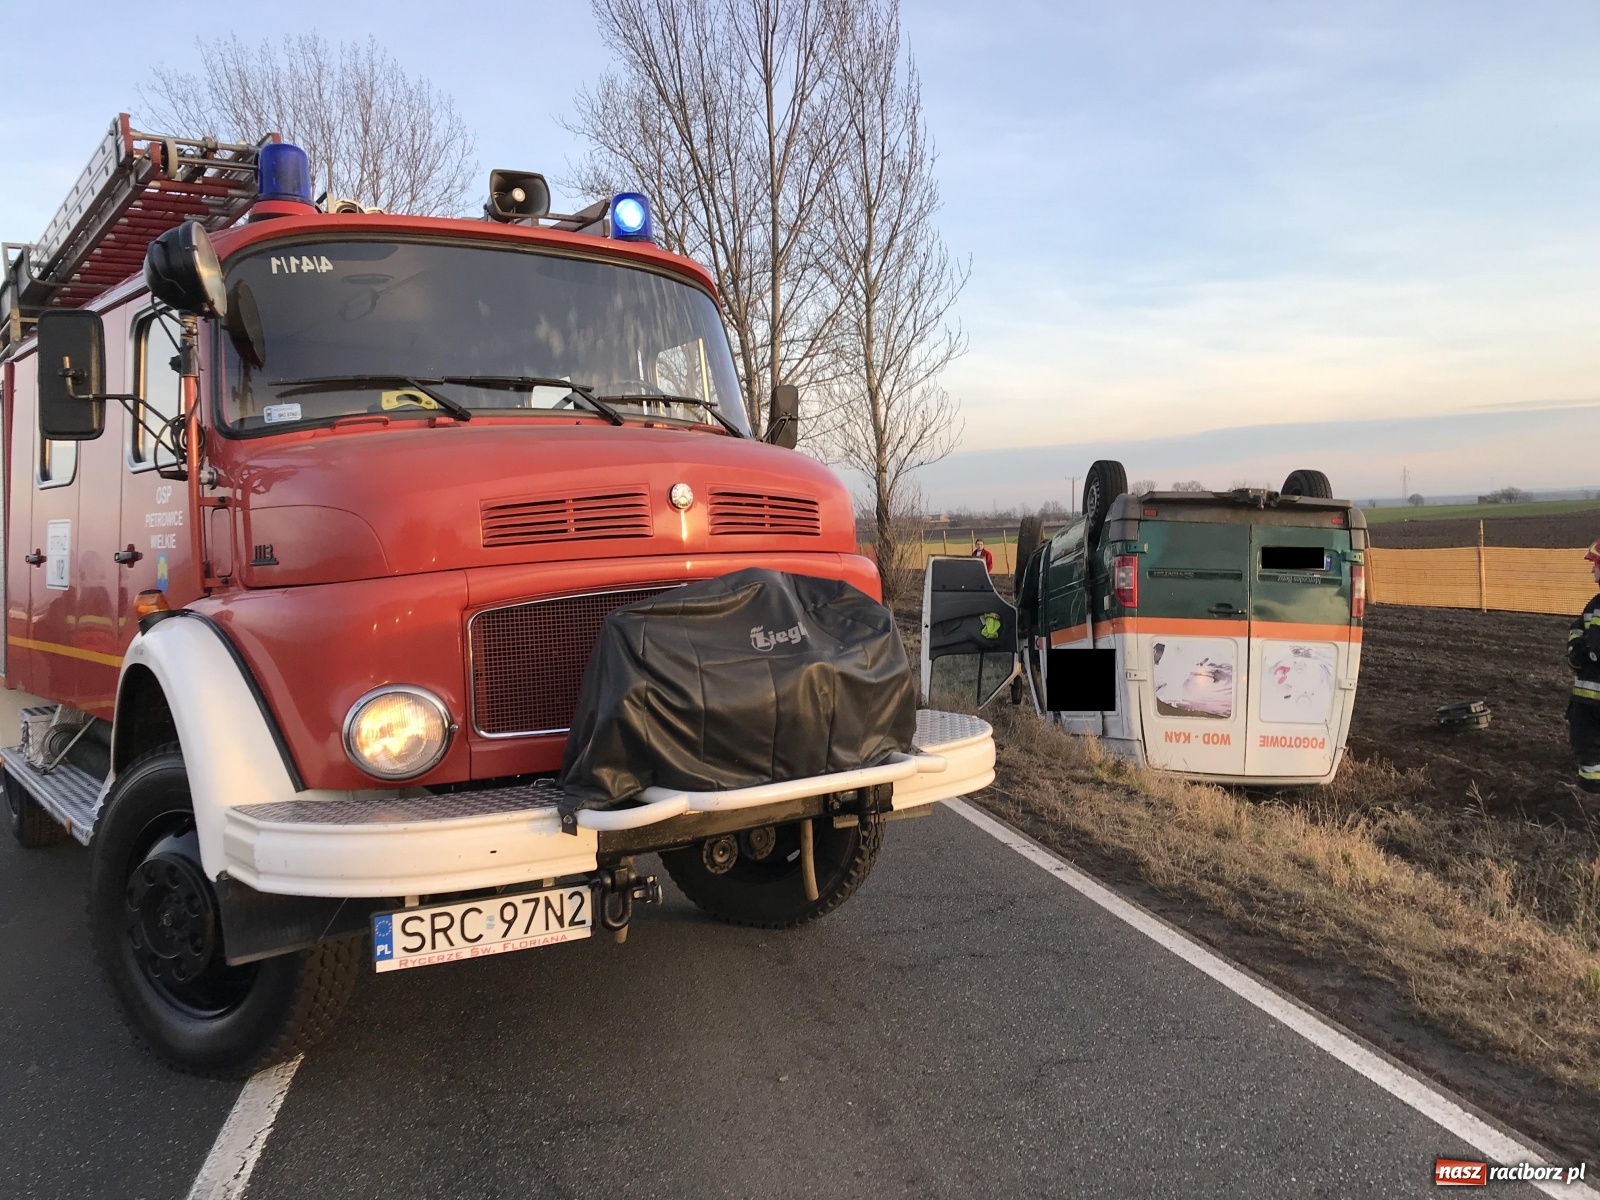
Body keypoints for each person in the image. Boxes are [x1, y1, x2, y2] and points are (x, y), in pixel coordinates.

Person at [1566, 541, 1600, 792]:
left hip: (1591, 703)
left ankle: (1589, 804)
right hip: (1587, 700)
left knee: (1590, 749)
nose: (1592, 571)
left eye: (1595, 565)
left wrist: (1588, 654)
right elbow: (1576, 629)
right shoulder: (1594, 605)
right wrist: (1578, 652)